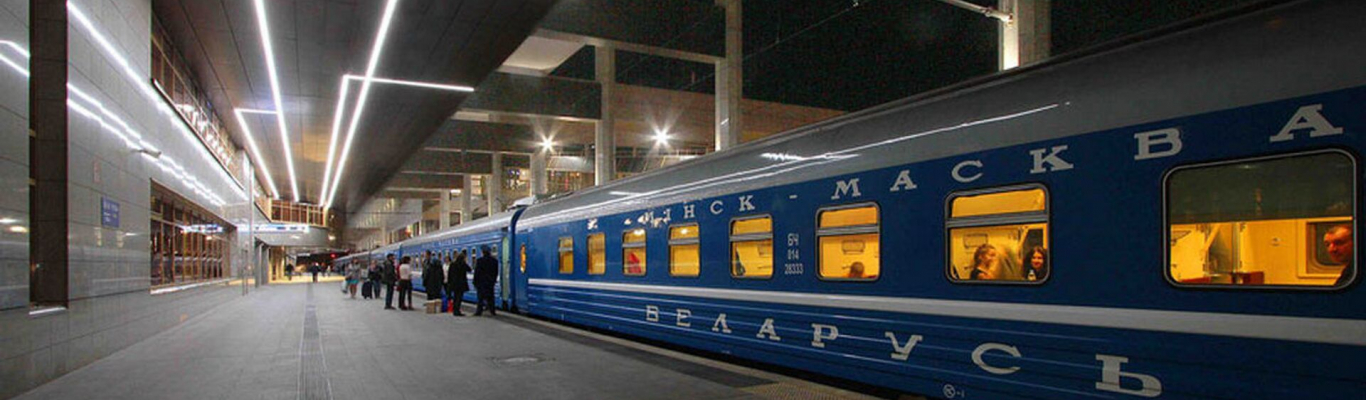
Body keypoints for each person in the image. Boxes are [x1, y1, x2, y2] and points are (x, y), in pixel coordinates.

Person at [473, 246, 498, 316]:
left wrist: (475, 281)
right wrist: (493, 280)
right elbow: (496, 272)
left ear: (483, 253)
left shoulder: (480, 261)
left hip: (481, 282)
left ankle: (479, 311)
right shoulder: (494, 261)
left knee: (480, 298)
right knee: (491, 297)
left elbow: (477, 272)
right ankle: (492, 311)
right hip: (490, 282)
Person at [447, 251, 471, 316]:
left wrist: (449, 283)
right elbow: (469, 269)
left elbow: (449, 274)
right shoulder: (463, 264)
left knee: (455, 297)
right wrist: (465, 262)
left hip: (454, 284)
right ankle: (457, 311)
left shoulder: (452, 264)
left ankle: (455, 310)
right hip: (461, 284)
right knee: (459, 298)